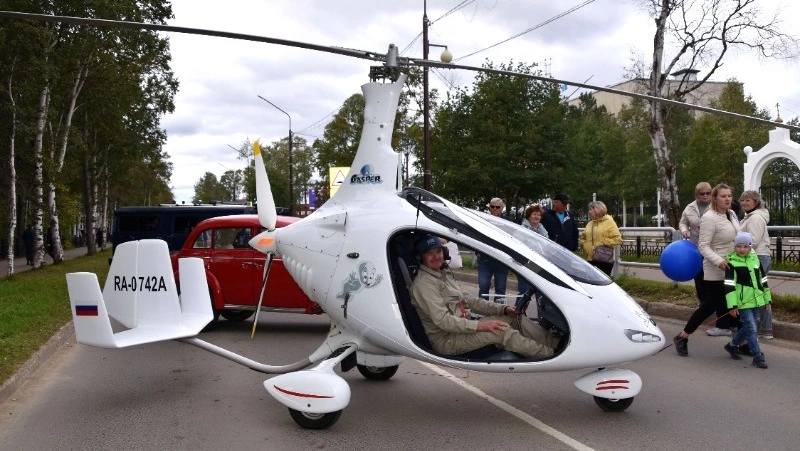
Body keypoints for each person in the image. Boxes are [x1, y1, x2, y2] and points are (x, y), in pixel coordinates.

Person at [409, 234, 558, 358]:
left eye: (438, 252)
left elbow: (470, 301)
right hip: (448, 340)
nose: (436, 257)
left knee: (513, 316)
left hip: (463, 330)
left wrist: (503, 309)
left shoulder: (443, 274)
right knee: (499, 331)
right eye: (430, 253)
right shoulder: (424, 284)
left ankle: (556, 343)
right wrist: (480, 326)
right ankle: (550, 355)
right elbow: (444, 321)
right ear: (420, 258)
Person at [674, 183, 740, 356]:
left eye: (729, 196)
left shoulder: (732, 214)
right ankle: (683, 336)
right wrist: (719, 261)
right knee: (709, 306)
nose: (727, 199)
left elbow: (738, 239)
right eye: (723, 196)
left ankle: (742, 341)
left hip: (734, 267)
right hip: (716, 269)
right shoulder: (709, 217)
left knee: (737, 303)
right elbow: (703, 246)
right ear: (715, 199)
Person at [722, 232, 770, 369]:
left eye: (745, 246)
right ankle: (757, 355)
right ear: (734, 247)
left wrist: (767, 300)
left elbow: (763, 281)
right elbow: (729, 285)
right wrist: (732, 305)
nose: (742, 249)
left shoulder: (755, 261)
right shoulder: (731, 264)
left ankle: (732, 345)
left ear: (750, 247)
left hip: (757, 300)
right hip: (742, 303)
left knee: (750, 326)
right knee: (752, 327)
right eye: (738, 246)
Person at [739, 190, 772, 340]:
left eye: (748, 200)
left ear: (756, 202)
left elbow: (753, 241)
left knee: (755, 295)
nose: (745, 203)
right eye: (743, 200)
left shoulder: (756, 218)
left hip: (757, 257)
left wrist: (740, 255)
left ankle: (759, 330)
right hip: (756, 256)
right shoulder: (750, 217)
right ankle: (765, 329)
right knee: (760, 293)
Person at [679, 182, 712, 305]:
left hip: (712, 247)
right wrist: (684, 230)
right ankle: (702, 302)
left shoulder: (716, 206)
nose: (705, 196)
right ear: (697, 194)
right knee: (699, 276)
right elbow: (683, 222)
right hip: (696, 247)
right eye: (702, 193)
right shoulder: (690, 208)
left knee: (712, 276)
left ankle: (711, 302)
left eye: (708, 193)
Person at [478, 198, 510, 303]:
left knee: (500, 289)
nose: (495, 209)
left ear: (502, 208)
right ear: (489, 207)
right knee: (483, 285)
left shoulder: (508, 223)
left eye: (497, 207)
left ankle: (500, 311)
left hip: (501, 260)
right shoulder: (482, 220)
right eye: (492, 206)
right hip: (485, 259)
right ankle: (482, 310)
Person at [579, 201, 622, 276]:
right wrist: (584, 245)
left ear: (598, 210)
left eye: (591, 209)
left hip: (604, 259)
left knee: (601, 283)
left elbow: (617, 239)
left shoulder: (609, 222)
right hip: (589, 259)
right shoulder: (590, 223)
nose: (589, 212)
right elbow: (583, 238)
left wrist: (604, 243)